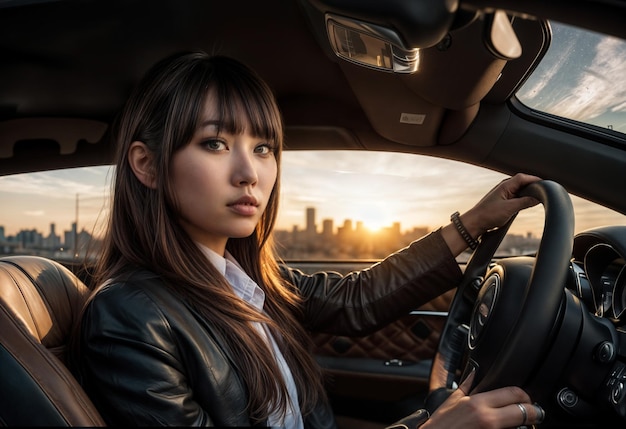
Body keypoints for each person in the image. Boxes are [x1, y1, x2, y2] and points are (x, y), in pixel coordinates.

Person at [70, 50, 545, 428]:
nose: (249, 173)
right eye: (215, 143)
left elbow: (356, 300)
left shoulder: (245, 281)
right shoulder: (129, 318)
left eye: (263, 148)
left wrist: (474, 223)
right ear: (146, 165)